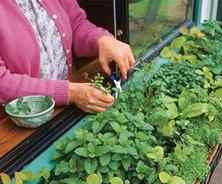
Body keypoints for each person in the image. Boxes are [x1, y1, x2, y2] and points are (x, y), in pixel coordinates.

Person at [0, 0, 135, 113]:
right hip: (17, 123)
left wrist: (101, 40)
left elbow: (76, 24)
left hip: (68, 104)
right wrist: (69, 93)